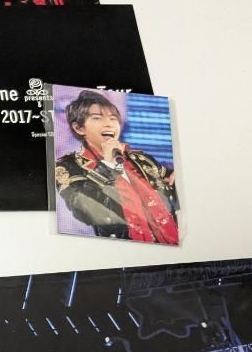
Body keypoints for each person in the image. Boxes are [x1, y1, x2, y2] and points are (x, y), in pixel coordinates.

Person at [53, 90, 179, 244]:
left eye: (113, 118)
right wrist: (107, 165)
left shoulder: (141, 159)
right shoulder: (67, 167)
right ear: (79, 128)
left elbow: (171, 189)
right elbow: (86, 209)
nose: (109, 124)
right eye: (97, 118)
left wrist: (178, 178)